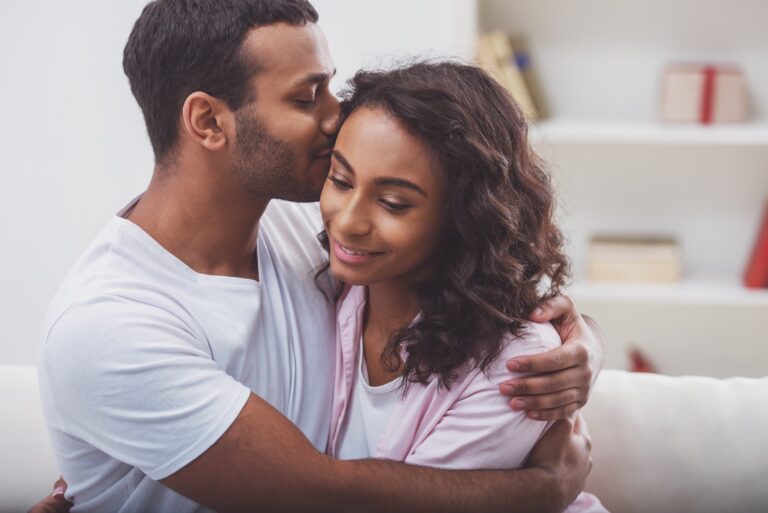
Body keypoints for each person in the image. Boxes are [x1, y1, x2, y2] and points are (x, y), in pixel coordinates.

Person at [31, 1, 604, 512]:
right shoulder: (110, 324)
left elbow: (468, 263)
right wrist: (542, 489)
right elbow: (319, 494)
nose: (337, 117)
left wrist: (579, 341)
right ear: (208, 121)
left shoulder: (305, 224)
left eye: (330, 87)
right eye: (308, 98)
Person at [319, 62, 608, 512]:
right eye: (340, 179)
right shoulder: (328, 284)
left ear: (465, 217)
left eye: (393, 203)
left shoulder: (517, 365)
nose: (348, 221)